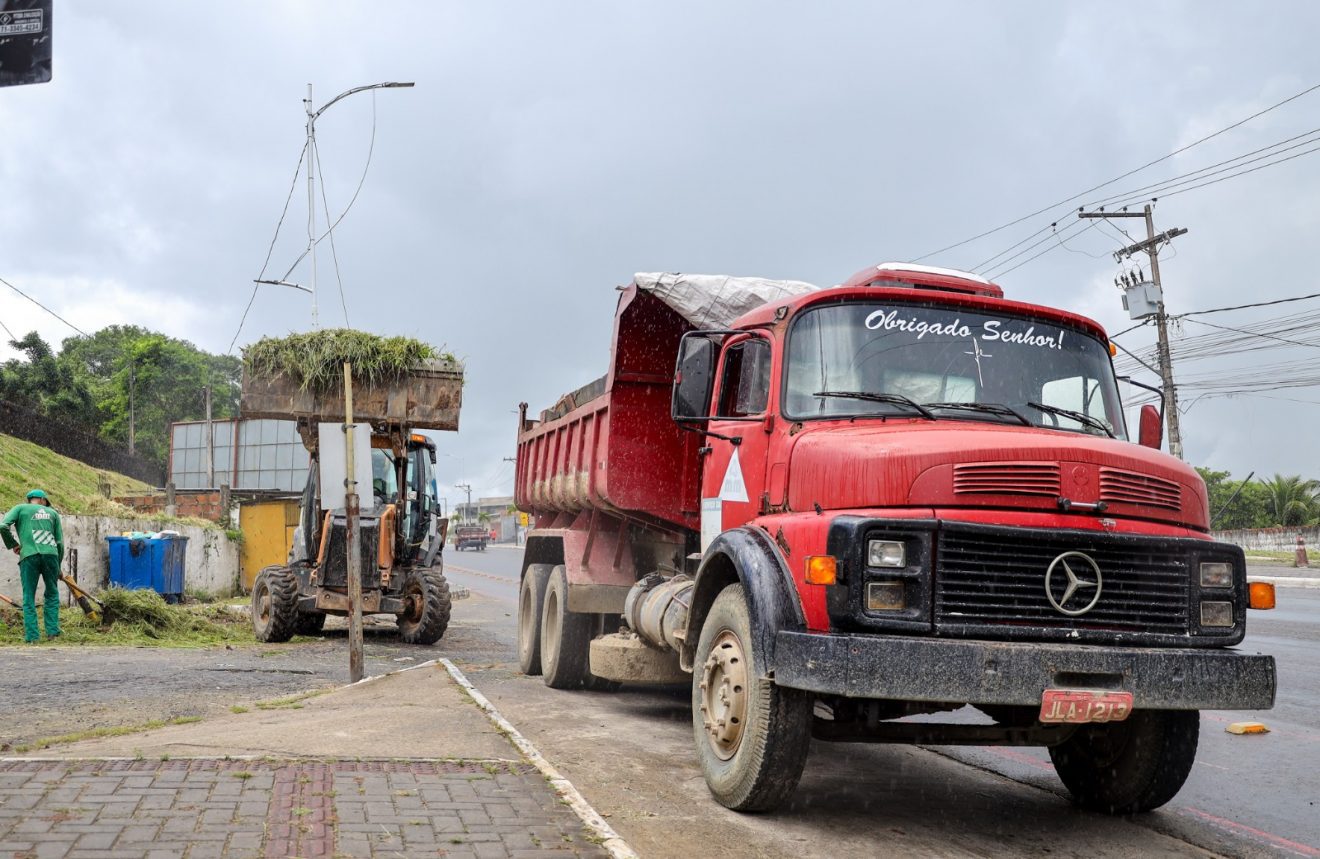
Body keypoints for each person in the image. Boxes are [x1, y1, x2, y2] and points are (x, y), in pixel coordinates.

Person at [1, 489, 64, 643]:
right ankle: (52, 633)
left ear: (29, 499)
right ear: (42, 500)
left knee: (28, 596)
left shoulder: (20, 508)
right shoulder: (52, 513)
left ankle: (32, 637)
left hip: (29, 556)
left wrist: (13, 544)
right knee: (52, 594)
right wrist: (58, 567)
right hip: (51, 556)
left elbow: (2, 526)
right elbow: (60, 543)